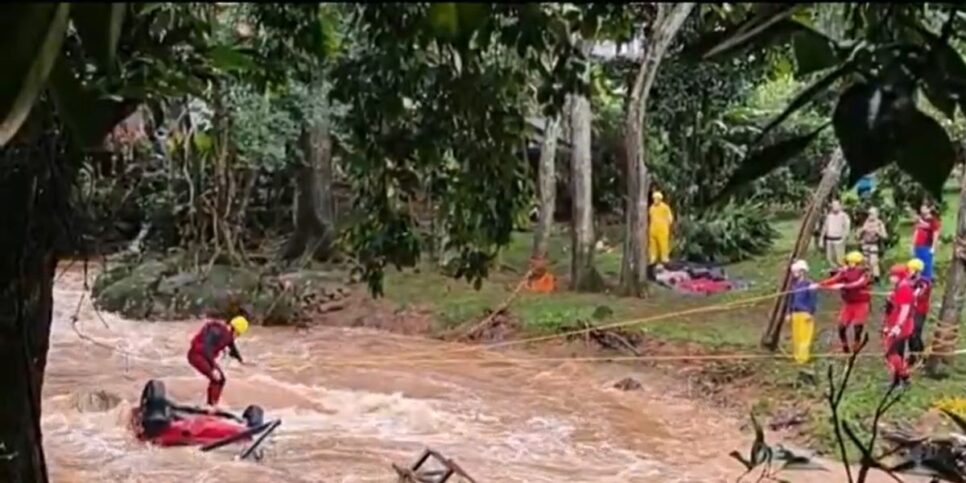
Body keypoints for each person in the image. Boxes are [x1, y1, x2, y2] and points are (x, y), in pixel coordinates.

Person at [187, 314, 250, 408]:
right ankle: (210, 406)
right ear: (235, 329)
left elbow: (232, 348)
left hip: (205, 357)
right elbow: (206, 347)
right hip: (197, 355)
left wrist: (241, 360)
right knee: (217, 379)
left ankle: (211, 404)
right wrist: (213, 367)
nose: (237, 336)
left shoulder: (228, 334)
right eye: (238, 334)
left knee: (221, 380)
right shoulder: (217, 331)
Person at [815, 251, 871, 354]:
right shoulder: (844, 272)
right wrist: (820, 284)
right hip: (848, 303)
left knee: (857, 326)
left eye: (854, 263)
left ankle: (856, 343)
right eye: (849, 262)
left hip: (861, 303)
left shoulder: (865, 273)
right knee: (841, 326)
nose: (851, 265)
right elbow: (834, 279)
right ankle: (844, 345)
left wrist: (843, 286)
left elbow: (859, 284)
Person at [882, 263, 916, 387]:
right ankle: (898, 379)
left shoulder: (904, 287)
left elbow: (905, 309)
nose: (891, 278)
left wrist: (898, 326)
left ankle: (903, 378)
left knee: (892, 353)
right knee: (895, 353)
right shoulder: (899, 286)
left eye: (893, 275)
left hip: (903, 325)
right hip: (897, 323)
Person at [787, 259, 818, 364]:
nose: (794, 274)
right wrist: (789, 313)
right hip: (795, 313)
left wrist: (811, 312)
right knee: (796, 336)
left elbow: (813, 300)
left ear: (802, 272)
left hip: (805, 313)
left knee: (805, 337)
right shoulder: (794, 285)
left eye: (796, 271)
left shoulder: (809, 284)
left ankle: (803, 358)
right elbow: (790, 299)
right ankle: (797, 357)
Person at [906, 258, 932, 366]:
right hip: (910, 310)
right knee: (909, 333)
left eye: (911, 270)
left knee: (915, 333)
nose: (909, 271)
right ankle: (913, 356)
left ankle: (920, 356)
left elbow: (918, 294)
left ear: (917, 271)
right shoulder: (909, 280)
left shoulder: (924, 282)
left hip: (920, 311)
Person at [858, 207, 888, 284]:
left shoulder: (879, 223)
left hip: (874, 244)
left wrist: (878, 232)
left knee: (873, 262)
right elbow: (858, 234)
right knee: (865, 262)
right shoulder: (866, 222)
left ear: (876, 214)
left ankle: (876, 278)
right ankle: (868, 278)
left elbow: (885, 236)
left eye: (872, 213)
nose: (870, 215)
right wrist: (862, 230)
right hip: (865, 244)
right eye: (869, 213)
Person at [912, 203, 941, 281]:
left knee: (926, 266)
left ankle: (927, 283)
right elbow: (916, 232)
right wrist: (913, 245)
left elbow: (936, 234)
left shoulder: (933, 221)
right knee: (917, 266)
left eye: (924, 208)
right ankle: (918, 283)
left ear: (929, 209)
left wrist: (933, 247)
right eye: (922, 208)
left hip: (927, 246)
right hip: (918, 246)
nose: (922, 209)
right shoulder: (919, 220)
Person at [821, 199, 851, 267]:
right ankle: (835, 272)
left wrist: (844, 238)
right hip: (829, 240)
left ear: (840, 206)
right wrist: (821, 239)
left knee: (840, 260)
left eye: (836, 205)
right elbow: (825, 227)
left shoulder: (844, 216)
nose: (835, 207)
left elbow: (847, 228)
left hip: (839, 240)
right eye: (833, 205)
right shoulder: (829, 216)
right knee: (830, 258)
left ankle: (843, 272)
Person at [648, 191, 674, 266]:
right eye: (654, 198)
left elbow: (670, 218)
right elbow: (650, 217)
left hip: (662, 230)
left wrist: (667, 225)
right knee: (653, 245)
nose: (655, 200)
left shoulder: (665, 207)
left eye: (656, 198)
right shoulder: (651, 208)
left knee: (663, 244)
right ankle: (653, 258)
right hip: (653, 229)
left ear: (660, 199)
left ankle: (664, 258)